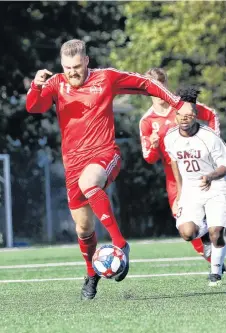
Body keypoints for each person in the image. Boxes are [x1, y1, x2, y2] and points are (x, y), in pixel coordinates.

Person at [26, 39, 188, 300]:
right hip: (73, 165)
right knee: (83, 229)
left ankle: (120, 244)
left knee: (90, 182)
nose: (72, 72)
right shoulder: (56, 83)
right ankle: (91, 275)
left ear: (87, 61)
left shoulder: (106, 78)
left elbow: (145, 83)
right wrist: (36, 85)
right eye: (67, 67)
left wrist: (178, 103)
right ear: (61, 65)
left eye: (77, 66)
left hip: (104, 154)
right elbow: (35, 107)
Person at [139, 68, 220, 262]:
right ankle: (214, 260)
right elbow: (149, 158)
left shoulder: (183, 106)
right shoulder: (147, 121)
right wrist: (153, 145)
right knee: (186, 226)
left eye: (161, 85)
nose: (158, 91)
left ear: (167, 86)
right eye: (152, 87)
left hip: (202, 171)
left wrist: (213, 143)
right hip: (175, 180)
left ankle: (215, 254)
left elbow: (212, 115)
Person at [164, 90, 226, 286]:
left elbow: (224, 166)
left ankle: (215, 272)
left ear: (195, 115)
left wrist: (210, 176)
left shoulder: (210, 137)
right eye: (180, 114)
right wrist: (180, 193)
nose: (184, 118)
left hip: (215, 186)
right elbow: (174, 161)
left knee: (217, 232)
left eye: (189, 114)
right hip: (191, 188)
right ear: (175, 116)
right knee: (187, 233)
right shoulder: (170, 138)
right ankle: (206, 232)